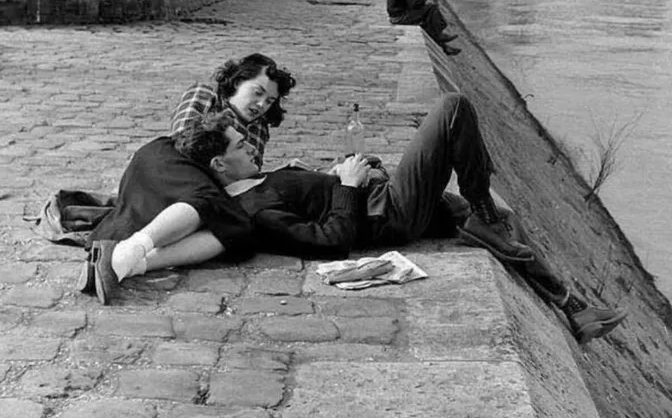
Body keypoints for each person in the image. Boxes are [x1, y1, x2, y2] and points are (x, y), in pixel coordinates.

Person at [192, 94, 628, 344]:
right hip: (391, 215)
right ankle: (482, 211)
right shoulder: (256, 208)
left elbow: (319, 202)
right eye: (239, 147)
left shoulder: (258, 181)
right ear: (219, 164)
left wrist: (341, 173)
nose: (251, 146)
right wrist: (346, 183)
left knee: (501, 222)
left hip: (380, 196)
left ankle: (574, 308)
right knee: (453, 109)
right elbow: (330, 240)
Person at [81, 54, 297, 304]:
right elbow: (189, 145)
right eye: (257, 92)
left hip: (203, 186)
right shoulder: (206, 95)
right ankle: (125, 255)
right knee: (212, 205)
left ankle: (126, 262)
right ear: (236, 82)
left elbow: (243, 175)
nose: (261, 104)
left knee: (236, 231)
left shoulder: (259, 128)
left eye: (269, 100)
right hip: (168, 164)